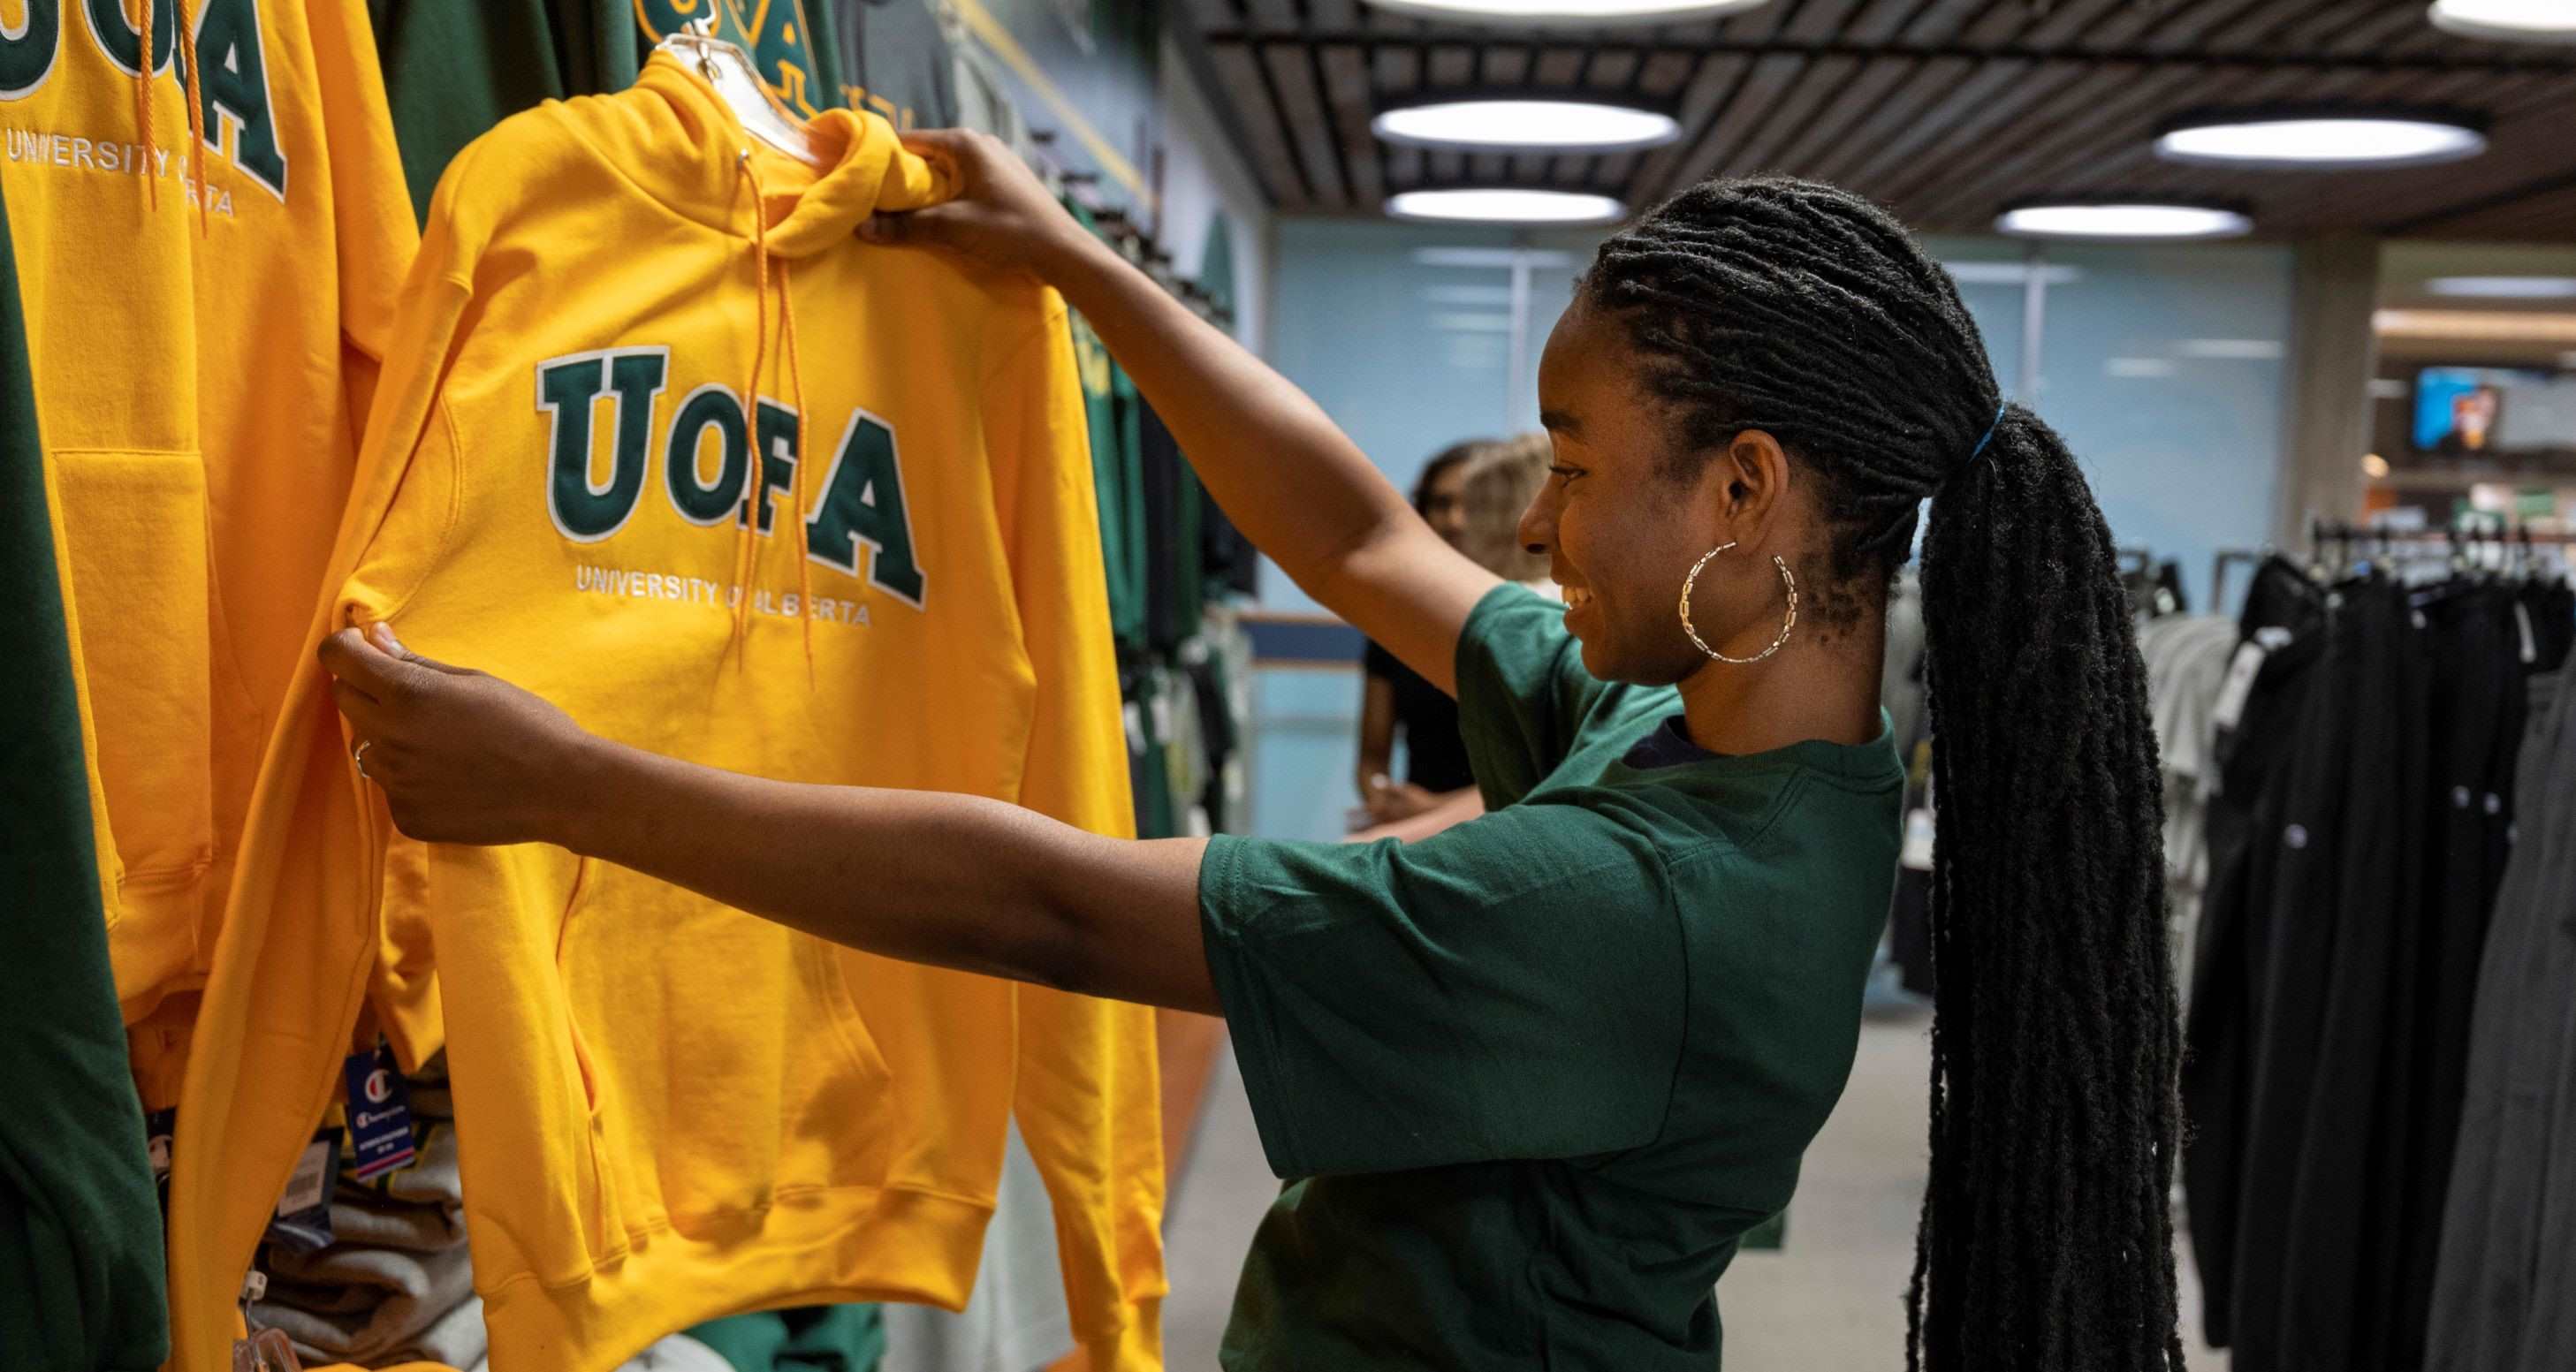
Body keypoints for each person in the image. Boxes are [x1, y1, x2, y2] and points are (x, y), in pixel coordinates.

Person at [320, 144, 2185, 1371]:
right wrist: (1077, 270)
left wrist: (568, 784)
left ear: (1746, 487)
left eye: (1575, 464)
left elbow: (1045, 900)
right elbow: (1367, 542)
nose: (1536, 524)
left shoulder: (1646, 903)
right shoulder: (1691, 723)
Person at [1353, 441, 1483, 829]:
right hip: (1417, 830)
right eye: (1442, 504)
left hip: (1508, 831)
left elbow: (1550, 774)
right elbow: (1371, 760)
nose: (1455, 519)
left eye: (1472, 504)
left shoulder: (1539, 615)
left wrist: (1435, 809)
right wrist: (1383, 797)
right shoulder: (1395, 621)